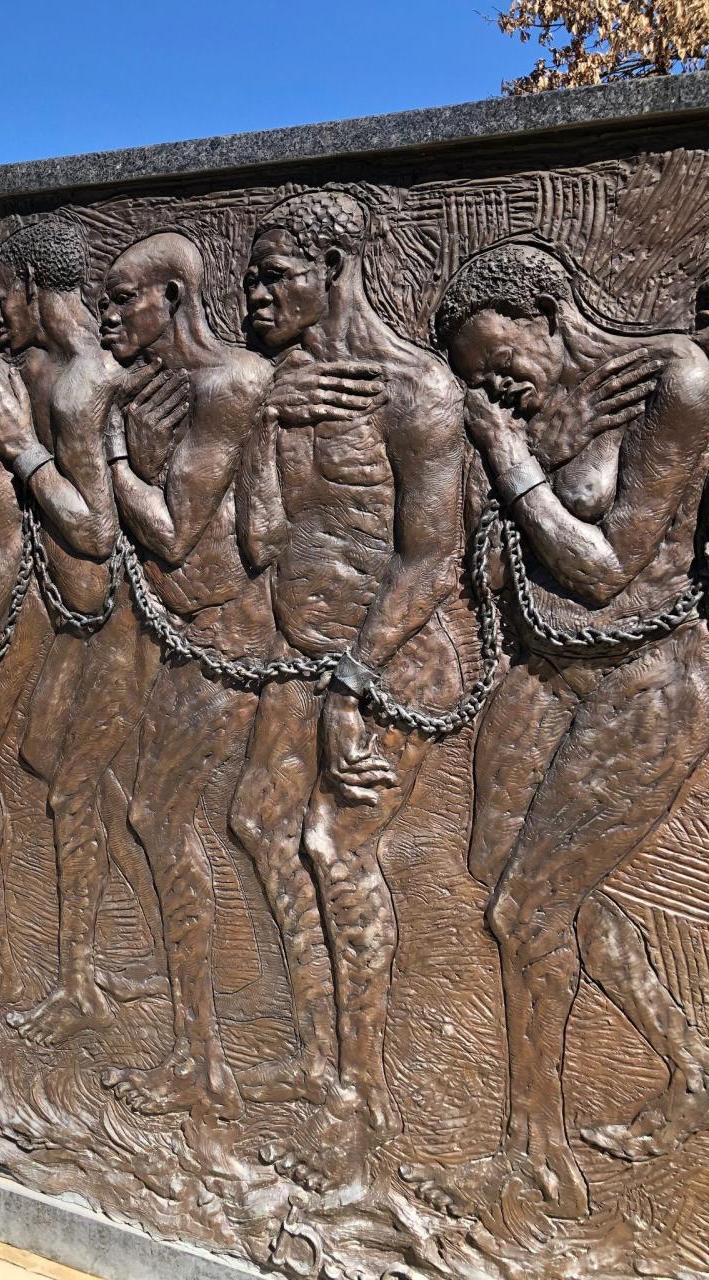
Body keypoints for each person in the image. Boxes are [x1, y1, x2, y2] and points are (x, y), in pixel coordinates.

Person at [403, 243, 709, 1221]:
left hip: (648, 682)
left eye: (493, 361)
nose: (488, 388)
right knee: (507, 875)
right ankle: (692, 1065)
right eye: (466, 375)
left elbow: (609, 563)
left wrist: (505, 454)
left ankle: (531, 1151)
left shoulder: (677, 382)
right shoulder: (549, 404)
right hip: (547, 671)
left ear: (545, 309)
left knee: (526, 910)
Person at [229, 190, 466, 1188]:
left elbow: (433, 558)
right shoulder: (283, 390)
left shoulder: (418, 390)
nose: (255, 297)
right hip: (301, 651)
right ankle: (319, 1053)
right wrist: (260, 431)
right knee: (255, 817)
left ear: (334, 266)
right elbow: (263, 539)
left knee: (332, 840)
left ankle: (359, 1095)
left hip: (392, 661)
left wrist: (357, 681)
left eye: (275, 273)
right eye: (249, 276)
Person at [93, 231, 275, 1119]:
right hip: (171, 632)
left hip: (226, 641)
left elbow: (171, 532)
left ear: (171, 297)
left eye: (123, 297)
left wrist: (118, 457)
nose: (108, 314)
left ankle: (205, 1061)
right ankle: (199, 1044)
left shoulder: (229, 384)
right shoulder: (149, 386)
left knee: (161, 815)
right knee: (141, 809)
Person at [0, 217, 125, 1020]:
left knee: (71, 780)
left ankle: (83, 980)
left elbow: (93, 528)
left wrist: (21, 448)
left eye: (1, 290)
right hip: (58, 615)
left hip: (120, 624)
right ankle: (39, 963)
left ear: (29, 282)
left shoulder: (84, 379)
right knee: (25, 760)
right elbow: (8, 540)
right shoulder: (26, 374)